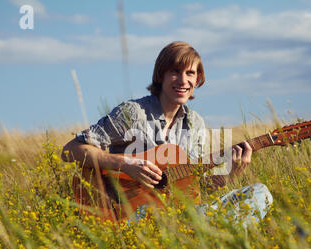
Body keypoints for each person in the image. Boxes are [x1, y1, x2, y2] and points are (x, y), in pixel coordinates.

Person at [61, 41, 272, 225]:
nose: (183, 81)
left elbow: (195, 189)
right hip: (127, 215)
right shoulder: (133, 113)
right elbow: (71, 150)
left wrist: (232, 173)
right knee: (205, 219)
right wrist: (125, 164)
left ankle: (205, 240)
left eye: (190, 73)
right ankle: (204, 236)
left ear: (198, 80)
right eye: (175, 72)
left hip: (173, 216)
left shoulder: (196, 124)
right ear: (160, 76)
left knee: (260, 194)